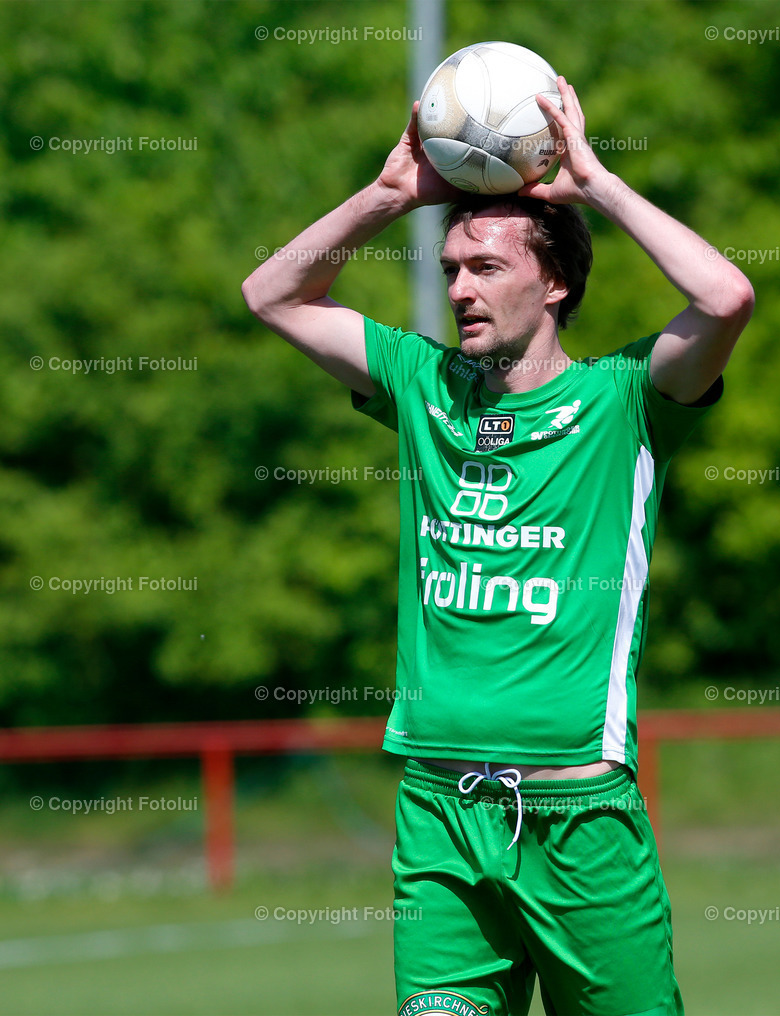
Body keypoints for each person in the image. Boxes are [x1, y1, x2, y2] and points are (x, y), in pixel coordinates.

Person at [243, 77, 753, 1016]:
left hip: (582, 825)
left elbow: (726, 298)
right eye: (450, 269)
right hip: (439, 811)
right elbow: (270, 295)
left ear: (554, 281)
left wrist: (594, 183)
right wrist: (388, 197)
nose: (460, 289)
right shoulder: (422, 382)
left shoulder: (624, 399)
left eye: (486, 267)